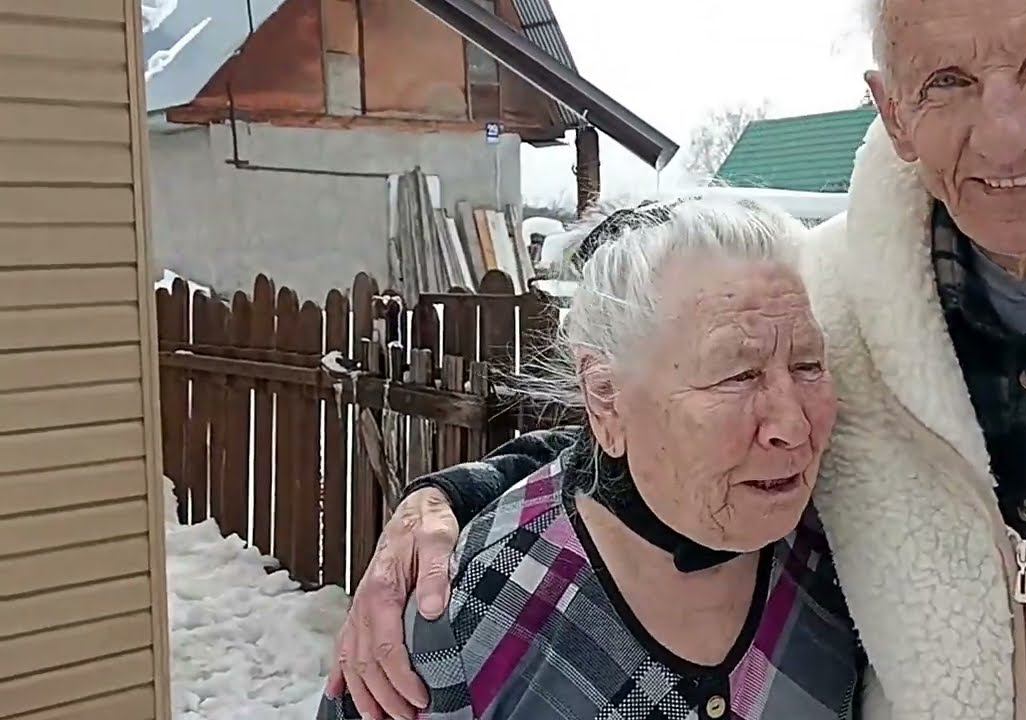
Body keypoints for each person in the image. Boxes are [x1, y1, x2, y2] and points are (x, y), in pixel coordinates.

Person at [328, 0, 1026, 716]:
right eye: (946, 81)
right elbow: (652, 427)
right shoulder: (831, 304)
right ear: (892, 111)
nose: (1005, 131)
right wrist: (441, 504)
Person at [319, 198, 867, 719]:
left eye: (808, 366)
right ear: (605, 398)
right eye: (738, 375)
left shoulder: (845, 555)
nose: (793, 427)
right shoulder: (466, 614)